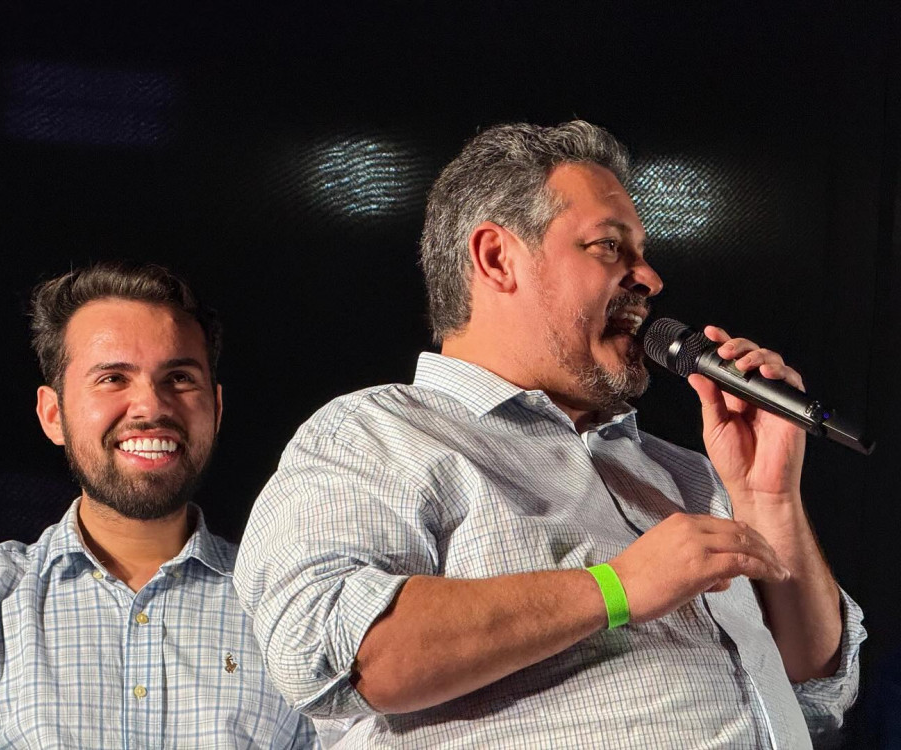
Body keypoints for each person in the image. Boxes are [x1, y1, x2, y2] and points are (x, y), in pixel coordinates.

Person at [232, 121, 865, 747]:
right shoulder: (376, 435)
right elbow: (329, 652)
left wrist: (767, 497)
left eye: (642, 252)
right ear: (497, 258)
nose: (650, 279)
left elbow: (814, 681)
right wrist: (615, 587)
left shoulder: (687, 474)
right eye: (609, 246)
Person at [0, 263, 316, 748]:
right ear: (53, 414)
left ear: (216, 409)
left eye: (179, 378)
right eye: (113, 378)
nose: (152, 406)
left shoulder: (291, 608)